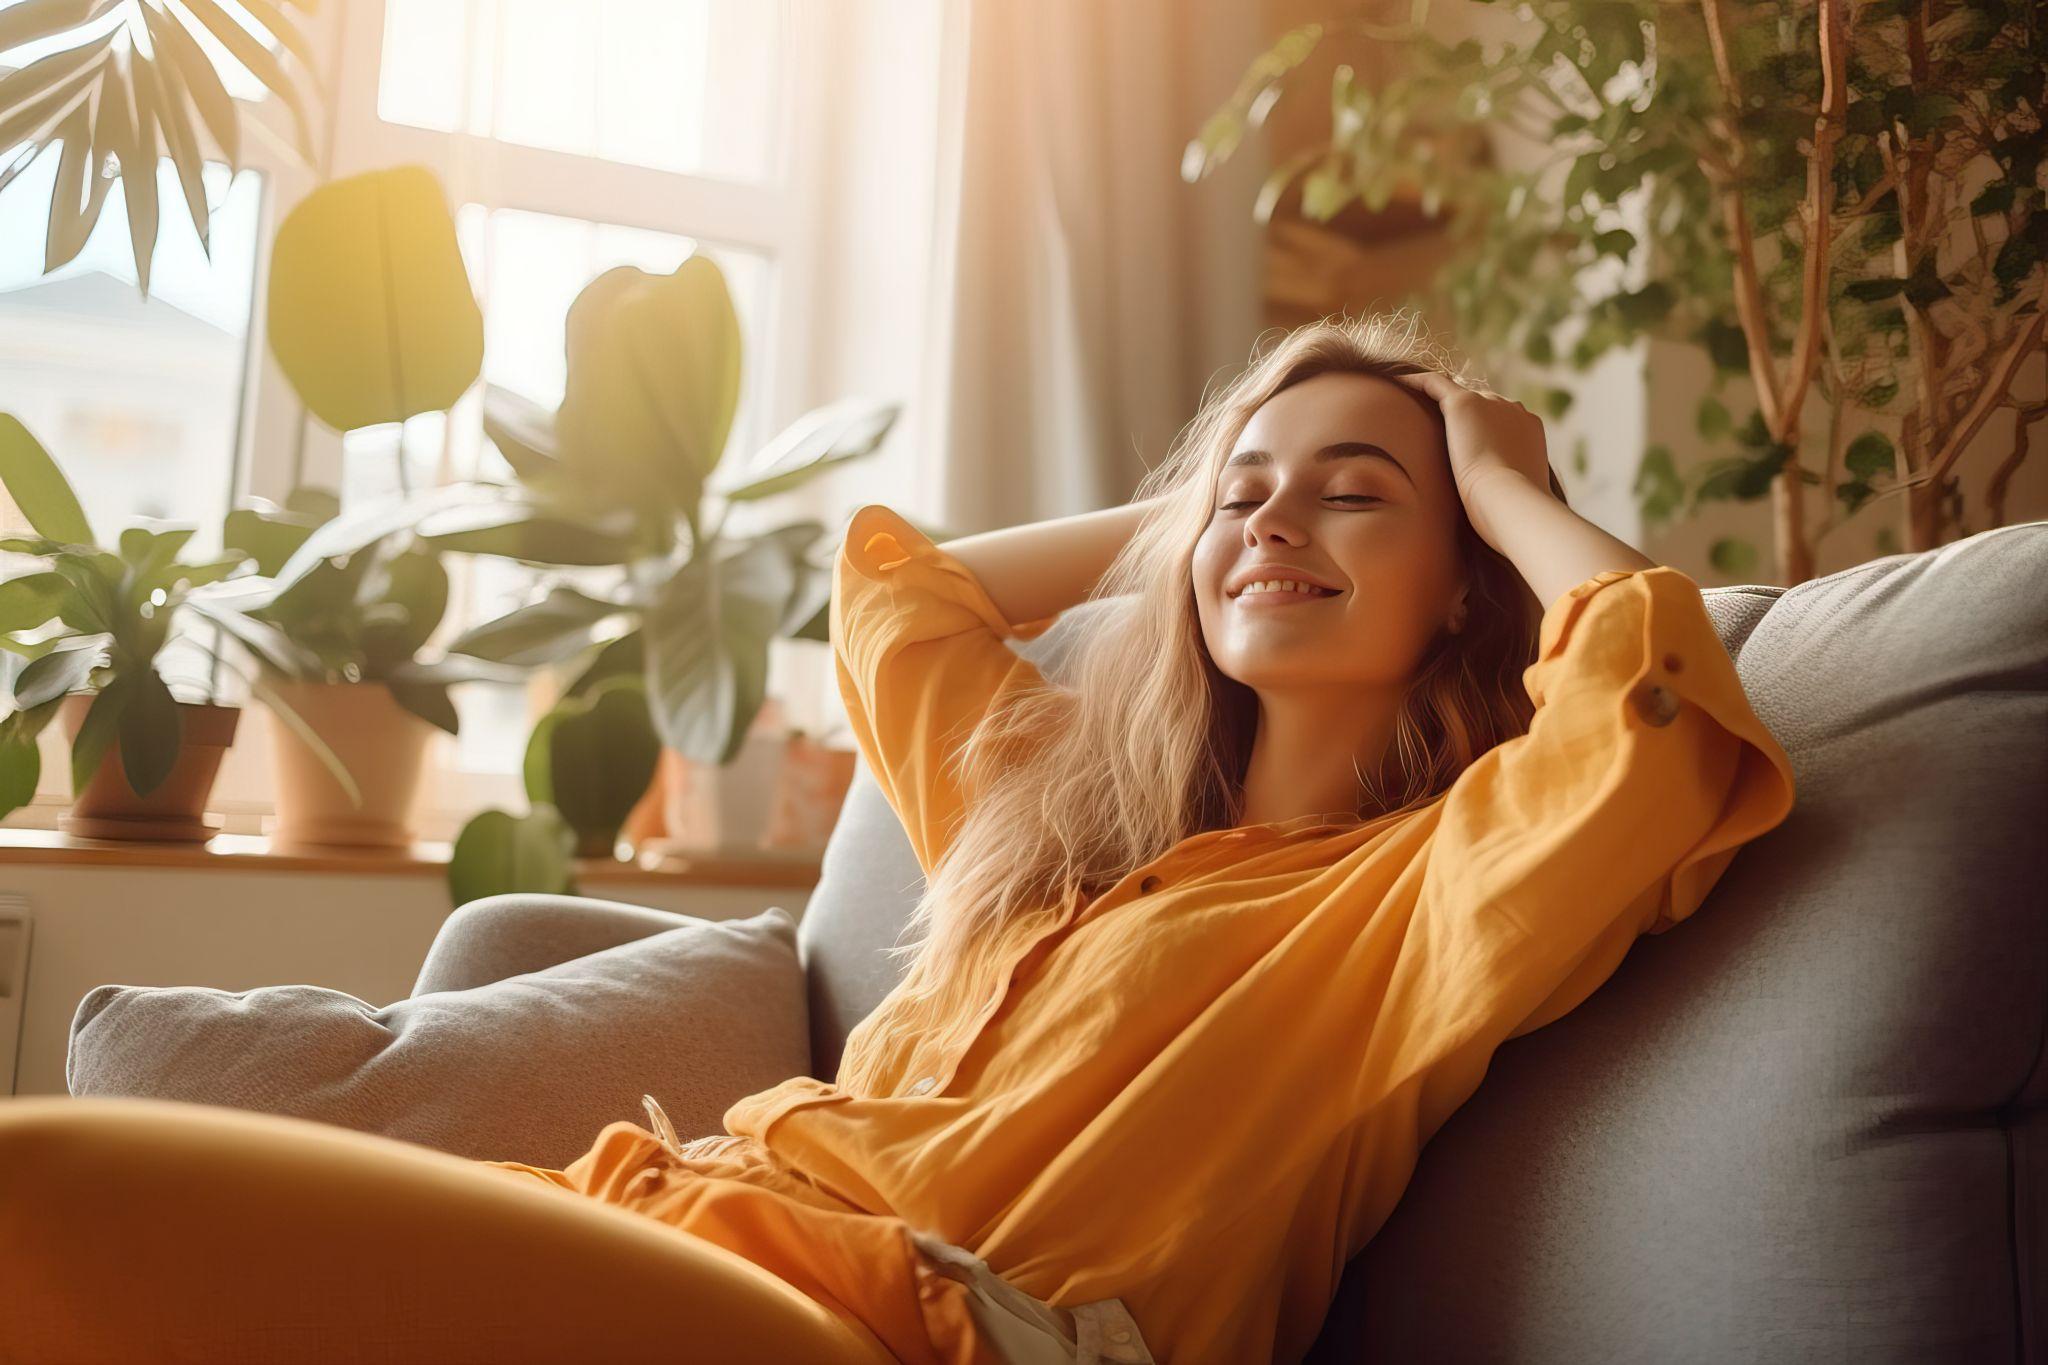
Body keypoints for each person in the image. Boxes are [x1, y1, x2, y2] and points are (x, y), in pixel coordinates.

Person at [0, 311, 1798, 1364]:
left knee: (49, 1197)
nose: (1277, 523)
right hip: (702, 1242)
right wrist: (1199, 501)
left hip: (918, 1336)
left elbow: (1649, 711)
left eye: (1357, 495)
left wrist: (1505, 485)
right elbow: (896, 593)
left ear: (1459, 582)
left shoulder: (1413, 896)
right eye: (1248, 493)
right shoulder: (1059, 824)